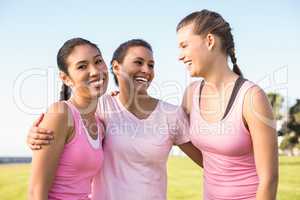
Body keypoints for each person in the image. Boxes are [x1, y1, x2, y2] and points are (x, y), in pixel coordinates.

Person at [27, 39, 203, 200]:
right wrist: (37, 134)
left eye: (151, 65)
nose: (146, 70)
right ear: (116, 67)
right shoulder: (92, 109)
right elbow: (36, 190)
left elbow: (210, 161)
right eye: (138, 62)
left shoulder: (99, 120)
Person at [176, 9, 278, 199]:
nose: (180, 56)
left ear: (209, 41)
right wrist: (123, 98)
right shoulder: (191, 94)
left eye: (184, 45)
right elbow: (172, 128)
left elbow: (269, 179)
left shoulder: (251, 98)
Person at [29, 37, 108, 200]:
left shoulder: (99, 125)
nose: (95, 71)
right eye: (82, 66)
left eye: (98, 61)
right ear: (66, 78)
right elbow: (36, 192)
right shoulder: (61, 114)